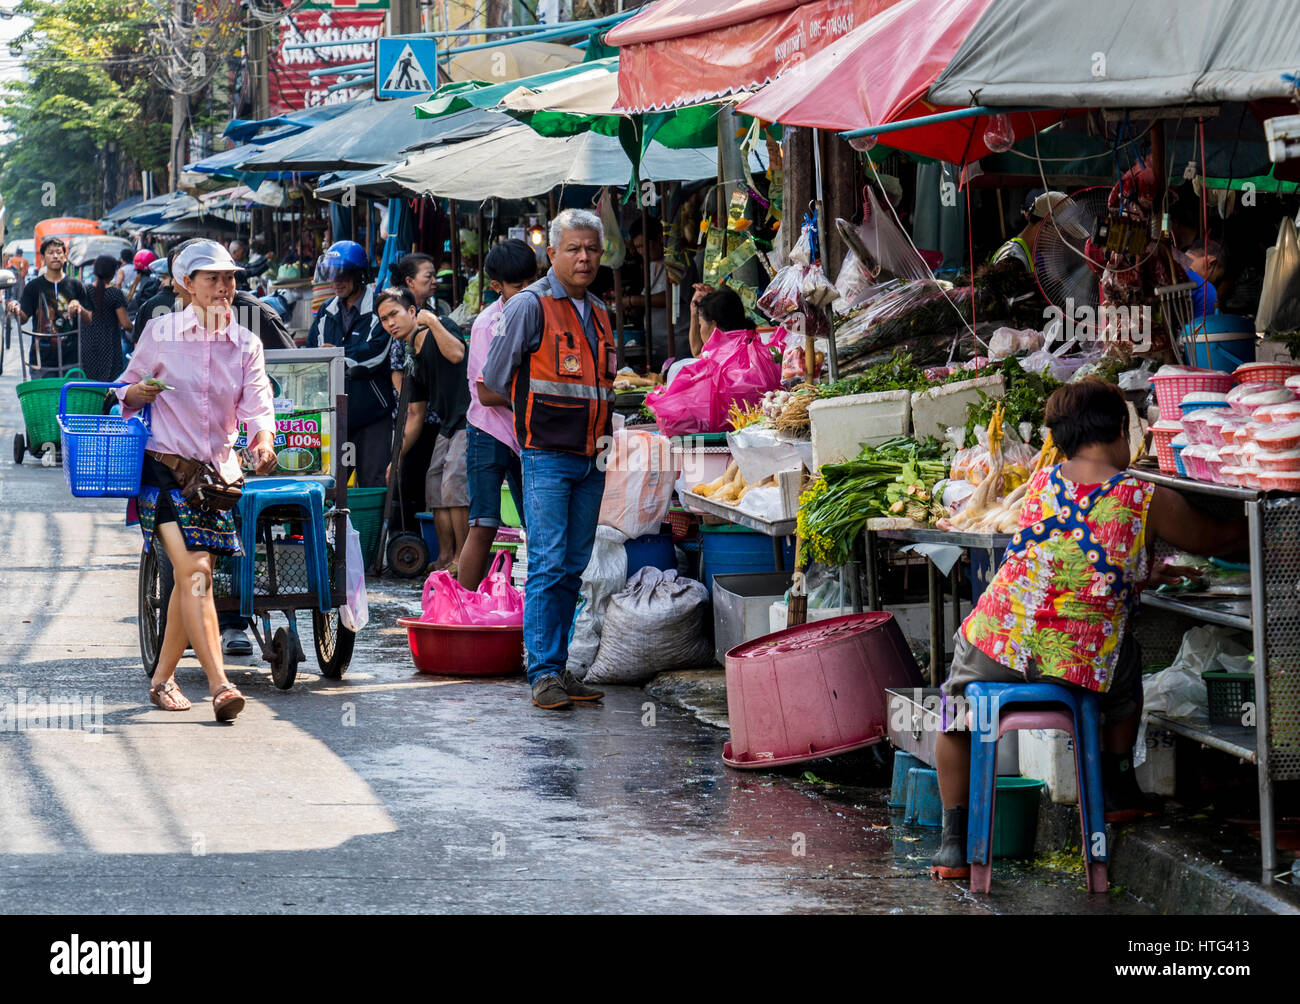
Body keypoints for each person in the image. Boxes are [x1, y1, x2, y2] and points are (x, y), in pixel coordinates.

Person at [929, 380, 1247, 880]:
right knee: (1129, 665)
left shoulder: (1041, 483)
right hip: (1073, 662)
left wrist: (1139, 575)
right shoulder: (1143, 494)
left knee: (953, 713)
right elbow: (1219, 540)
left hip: (995, 640)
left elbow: (1066, 556)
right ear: (1121, 431)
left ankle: (952, 845)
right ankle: (1118, 791)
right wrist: (1270, 523)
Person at [117, 239, 279, 723]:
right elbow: (122, 390)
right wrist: (137, 393)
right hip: (163, 472)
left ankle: (163, 679)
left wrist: (263, 440)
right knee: (196, 575)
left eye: (229, 279)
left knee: (191, 580)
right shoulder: (160, 333)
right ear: (185, 285)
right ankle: (220, 684)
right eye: (212, 279)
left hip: (215, 482)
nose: (224, 288)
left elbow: (257, 406)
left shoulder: (247, 344)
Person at [483, 208, 614, 711]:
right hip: (545, 456)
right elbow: (495, 379)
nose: (584, 258)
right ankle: (542, 674)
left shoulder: (600, 311)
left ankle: (558, 668)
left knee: (574, 566)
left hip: (593, 457)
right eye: (574, 249)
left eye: (592, 250)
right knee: (548, 562)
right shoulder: (529, 306)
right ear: (551, 253)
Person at [458, 239, 534, 591]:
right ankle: (464, 605)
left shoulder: (541, 311)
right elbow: (486, 392)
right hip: (488, 430)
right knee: (484, 523)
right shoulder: (486, 325)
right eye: (517, 286)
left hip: (528, 432)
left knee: (536, 525)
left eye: (529, 283)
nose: (526, 292)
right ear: (496, 287)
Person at [307, 240, 394, 488]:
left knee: (372, 482)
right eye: (333, 274)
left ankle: (372, 529)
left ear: (360, 275)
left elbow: (375, 354)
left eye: (344, 274)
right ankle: (335, 529)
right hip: (335, 414)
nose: (337, 281)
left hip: (372, 415)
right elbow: (313, 350)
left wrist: (335, 356)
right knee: (330, 482)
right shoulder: (326, 310)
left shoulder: (379, 308)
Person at [7, 237, 92, 372]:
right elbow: (23, 319)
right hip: (41, 361)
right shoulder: (33, 287)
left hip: (72, 361)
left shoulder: (76, 285)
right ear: (43, 258)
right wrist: (15, 309)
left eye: (59, 252)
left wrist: (78, 308)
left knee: (71, 394)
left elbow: (89, 319)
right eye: (51, 252)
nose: (55, 256)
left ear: (65, 257)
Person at [617, 216, 690, 367]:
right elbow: (649, 299)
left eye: (644, 245)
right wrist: (636, 310)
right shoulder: (650, 265)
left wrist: (633, 300)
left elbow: (670, 298)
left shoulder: (678, 262)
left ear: (659, 239)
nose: (641, 251)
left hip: (677, 343)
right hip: (655, 343)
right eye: (637, 247)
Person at [990, 189, 1069, 275]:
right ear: (1044, 226)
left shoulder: (1028, 254)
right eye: (1062, 233)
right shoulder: (1013, 259)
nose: (1062, 240)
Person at [82, 254, 131, 382]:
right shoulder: (115, 294)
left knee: (91, 386)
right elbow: (126, 324)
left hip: (87, 345)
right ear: (112, 273)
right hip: (110, 346)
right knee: (110, 386)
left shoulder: (85, 291)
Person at [1182, 238, 1226, 321]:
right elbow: (1203, 331)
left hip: (1150, 329)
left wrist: (1148, 331)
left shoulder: (1165, 261)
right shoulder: (1206, 290)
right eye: (1216, 279)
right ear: (1209, 262)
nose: (1211, 283)